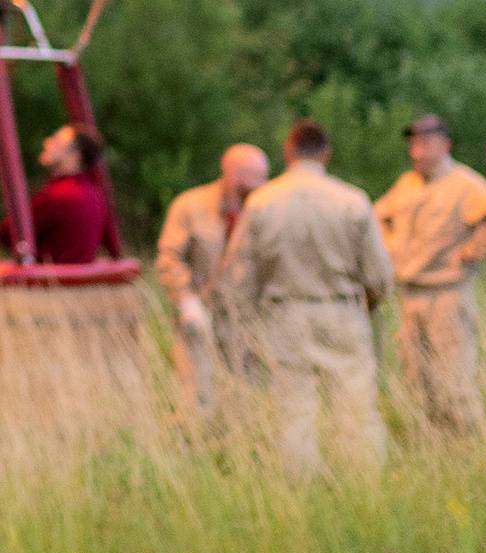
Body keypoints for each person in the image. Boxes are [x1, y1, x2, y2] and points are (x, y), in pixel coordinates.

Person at [223, 120, 394, 479]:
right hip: (342, 310)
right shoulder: (352, 200)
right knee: (355, 405)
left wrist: (247, 320)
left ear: (287, 152)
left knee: (295, 409)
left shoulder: (261, 201)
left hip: (286, 315)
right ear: (326, 154)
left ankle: (300, 488)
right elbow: (378, 274)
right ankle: (362, 485)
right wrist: (370, 302)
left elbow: (240, 274)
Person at [374, 115, 486, 434]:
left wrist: (472, 251)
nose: (417, 153)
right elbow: (376, 218)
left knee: (453, 379)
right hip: (410, 294)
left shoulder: (464, 184)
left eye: (425, 144)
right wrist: (391, 249)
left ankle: (468, 447)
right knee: (417, 378)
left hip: (447, 295)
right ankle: (433, 449)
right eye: (413, 145)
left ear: (445, 145)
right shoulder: (407, 185)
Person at [154, 142, 271, 413]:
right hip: (199, 322)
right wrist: (185, 300)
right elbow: (169, 256)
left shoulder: (264, 211)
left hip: (246, 324)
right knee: (196, 401)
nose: (262, 184)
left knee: (246, 403)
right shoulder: (190, 206)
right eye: (256, 176)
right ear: (233, 174)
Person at [29, 121, 121, 265]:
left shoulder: (56, 196)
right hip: (72, 282)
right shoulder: (95, 196)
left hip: (48, 282)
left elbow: (7, 234)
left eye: (56, 141)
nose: (47, 142)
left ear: (74, 156)